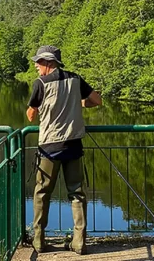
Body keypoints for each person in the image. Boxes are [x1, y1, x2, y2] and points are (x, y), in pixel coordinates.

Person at [26, 45, 102, 255]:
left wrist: (39, 110)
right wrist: (77, 104)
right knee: (76, 192)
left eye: (38, 62)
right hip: (74, 144)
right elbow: (97, 100)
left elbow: (31, 115)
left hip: (50, 147)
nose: (35, 65)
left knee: (42, 192)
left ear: (49, 63)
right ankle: (79, 242)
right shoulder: (75, 79)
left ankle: (39, 241)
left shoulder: (40, 83)